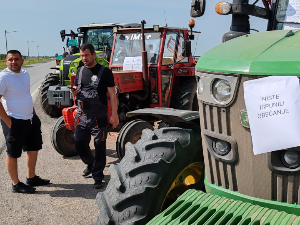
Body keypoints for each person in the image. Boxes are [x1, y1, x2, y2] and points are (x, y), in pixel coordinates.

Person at [0, 50, 50, 194]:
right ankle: (16, 184)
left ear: (22, 60)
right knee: (13, 153)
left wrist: (33, 113)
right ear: (6, 61)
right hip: (13, 119)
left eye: (16, 59)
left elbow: (25, 94)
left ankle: (31, 177)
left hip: (29, 118)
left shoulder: (25, 74)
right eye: (10, 59)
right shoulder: (3, 77)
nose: (13, 62)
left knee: (33, 148)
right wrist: (8, 122)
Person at [71, 43, 119, 189]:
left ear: (93, 55)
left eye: (86, 55)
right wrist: (74, 92)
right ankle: (91, 164)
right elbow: (77, 90)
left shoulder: (105, 72)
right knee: (79, 143)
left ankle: (97, 175)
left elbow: (112, 94)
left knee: (99, 146)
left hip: (99, 115)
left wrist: (114, 115)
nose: (84, 58)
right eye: (81, 56)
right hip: (82, 114)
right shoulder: (79, 71)